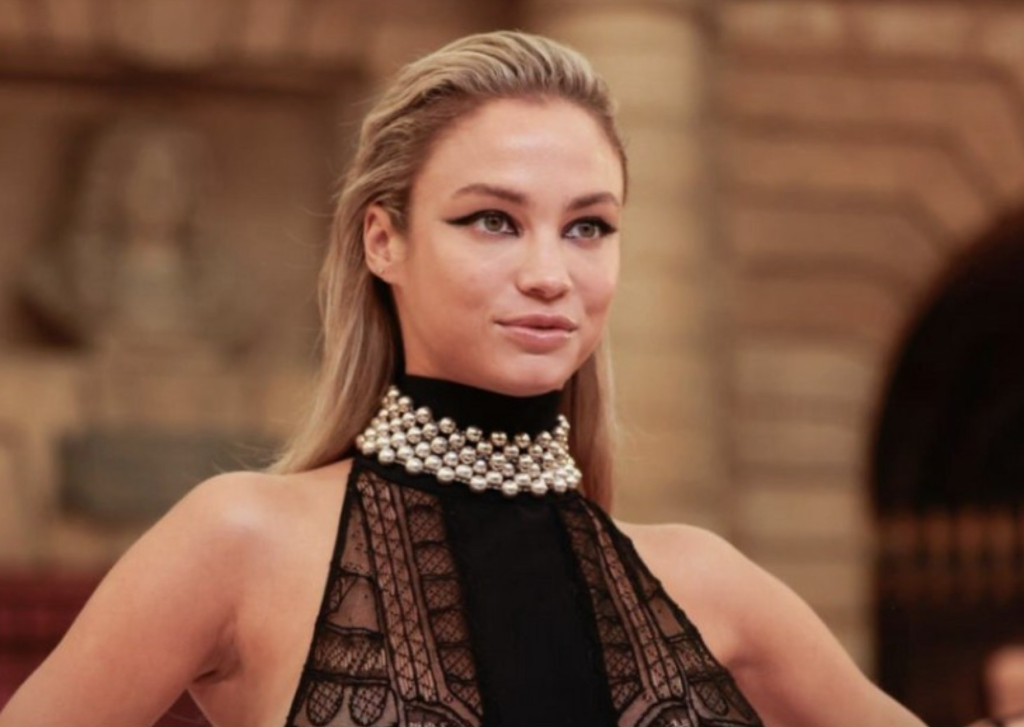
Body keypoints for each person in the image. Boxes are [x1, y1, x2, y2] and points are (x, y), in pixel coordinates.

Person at [0, 31, 925, 727]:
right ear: (383, 239)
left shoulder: (708, 584)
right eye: (492, 220)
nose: (550, 273)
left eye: (588, 227)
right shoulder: (239, 541)